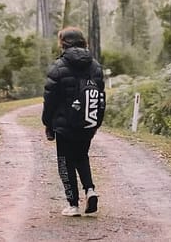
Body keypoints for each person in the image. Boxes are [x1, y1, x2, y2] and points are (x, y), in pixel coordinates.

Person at [42, 26, 105, 217]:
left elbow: (49, 99)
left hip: (64, 124)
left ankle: (73, 205)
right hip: (87, 121)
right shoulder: (95, 66)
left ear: (63, 43)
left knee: (65, 162)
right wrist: (96, 122)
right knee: (81, 156)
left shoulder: (58, 67)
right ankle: (90, 189)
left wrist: (48, 123)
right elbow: (101, 97)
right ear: (82, 41)